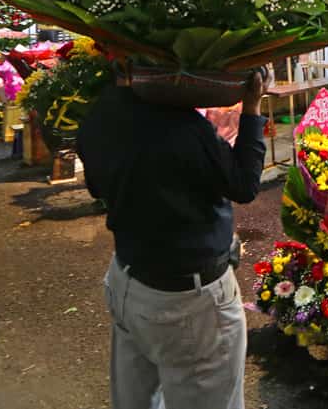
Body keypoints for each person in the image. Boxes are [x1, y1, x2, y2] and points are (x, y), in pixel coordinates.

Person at [78, 70, 269, 409]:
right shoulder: (185, 128)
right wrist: (252, 107)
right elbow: (244, 185)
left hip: (128, 281)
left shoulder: (102, 110)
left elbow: (97, 186)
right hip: (189, 305)